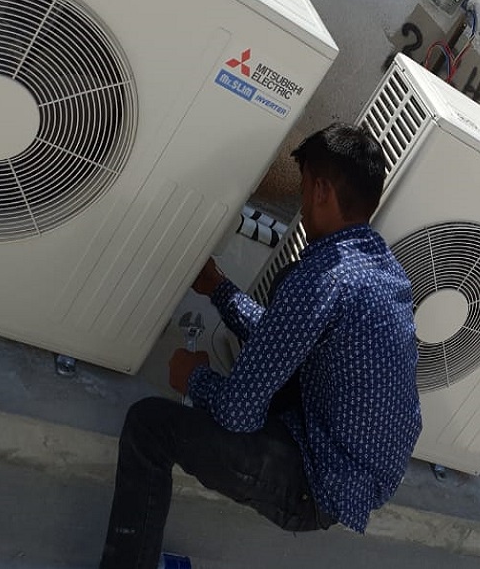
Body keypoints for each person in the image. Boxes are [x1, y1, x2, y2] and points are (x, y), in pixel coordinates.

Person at [99, 123, 422, 568]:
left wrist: (193, 377)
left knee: (149, 426)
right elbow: (281, 339)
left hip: (313, 485)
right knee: (284, 301)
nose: (301, 209)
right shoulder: (383, 268)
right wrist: (218, 289)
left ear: (322, 191)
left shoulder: (323, 278)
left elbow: (237, 413)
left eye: (304, 191)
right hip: (350, 467)